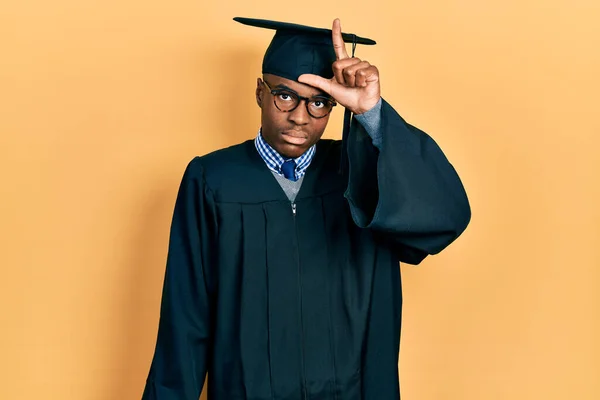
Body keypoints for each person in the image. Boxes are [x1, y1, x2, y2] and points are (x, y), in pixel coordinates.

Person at [142, 17, 471, 400]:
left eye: (319, 103)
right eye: (285, 96)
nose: (300, 117)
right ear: (260, 92)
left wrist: (372, 115)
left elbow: (443, 217)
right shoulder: (213, 180)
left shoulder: (359, 172)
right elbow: (185, 318)